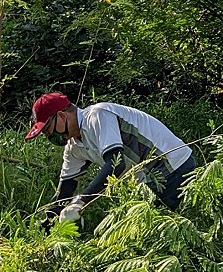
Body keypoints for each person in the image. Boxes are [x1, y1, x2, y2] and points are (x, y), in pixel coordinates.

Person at [26, 92, 196, 225]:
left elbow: (116, 164)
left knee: (149, 233)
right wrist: (47, 223)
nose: (50, 136)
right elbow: (65, 190)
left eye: (48, 130)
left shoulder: (98, 115)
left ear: (62, 116)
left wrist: (81, 201)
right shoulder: (74, 147)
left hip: (174, 167)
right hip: (149, 181)